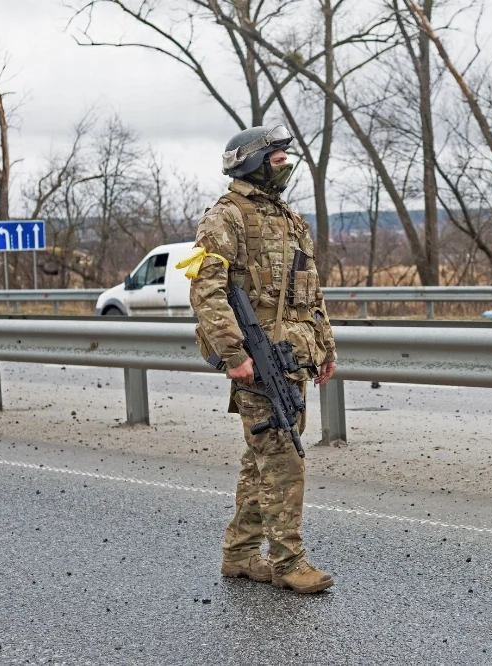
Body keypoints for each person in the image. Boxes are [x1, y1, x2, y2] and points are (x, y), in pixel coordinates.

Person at [188, 124, 337, 594]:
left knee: (263, 458)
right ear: (253, 162)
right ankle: (288, 561)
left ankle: (239, 553)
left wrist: (326, 347)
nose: (286, 165)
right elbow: (206, 290)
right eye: (277, 158)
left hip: (295, 356)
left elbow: (310, 292)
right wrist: (233, 353)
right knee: (284, 461)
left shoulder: (289, 218)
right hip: (256, 359)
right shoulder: (225, 217)